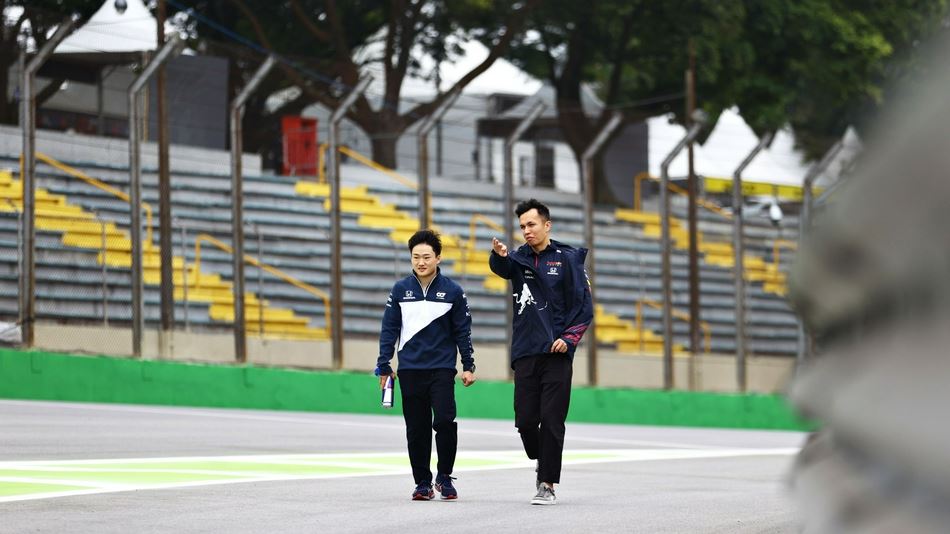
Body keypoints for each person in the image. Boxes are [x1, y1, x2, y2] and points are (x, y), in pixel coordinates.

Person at [489, 198, 593, 505]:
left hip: (558, 354)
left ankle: (547, 484)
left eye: (531, 224)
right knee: (525, 422)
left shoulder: (568, 259)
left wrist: (569, 339)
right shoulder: (517, 258)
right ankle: (542, 458)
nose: (526, 230)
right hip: (526, 351)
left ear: (547, 225)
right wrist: (498, 256)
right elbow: (503, 269)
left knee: (552, 420)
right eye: (522, 226)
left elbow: (585, 308)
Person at [377, 229, 477, 501]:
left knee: (445, 421)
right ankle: (422, 482)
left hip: (442, 369)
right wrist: (383, 365)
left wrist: (468, 365)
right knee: (416, 429)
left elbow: (463, 332)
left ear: (438, 258)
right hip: (409, 370)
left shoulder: (453, 291)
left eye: (426, 257)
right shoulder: (400, 290)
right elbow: (389, 330)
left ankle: (444, 476)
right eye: (416, 257)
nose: (421, 262)